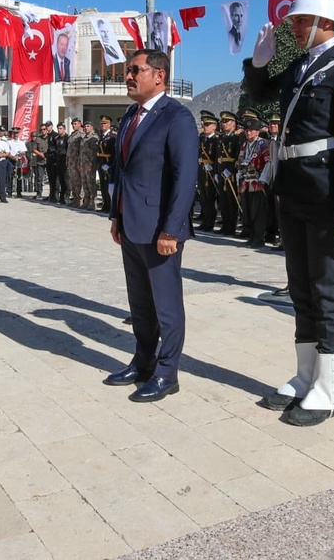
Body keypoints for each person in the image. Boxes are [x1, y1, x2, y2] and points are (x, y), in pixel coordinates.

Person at [244, 0, 334, 427]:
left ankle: (329, 388)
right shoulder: (302, 67)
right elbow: (260, 94)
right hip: (294, 189)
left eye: (301, 21)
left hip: (326, 195)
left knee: (326, 291)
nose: (295, 28)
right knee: (299, 287)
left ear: (326, 22)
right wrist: (259, 62)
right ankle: (305, 377)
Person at [105, 49, 199, 403]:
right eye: (127, 70)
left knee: (166, 305)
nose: (128, 76)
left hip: (161, 229)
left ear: (159, 75)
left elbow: (184, 178)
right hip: (131, 224)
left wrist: (171, 230)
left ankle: (167, 372)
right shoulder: (131, 114)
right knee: (139, 303)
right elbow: (120, 171)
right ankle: (142, 361)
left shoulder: (176, 117)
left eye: (135, 70)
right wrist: (116, 215)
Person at [236, 108, 272, 247]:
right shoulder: (245, 144)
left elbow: (268, 162)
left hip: (258, 181)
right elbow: (240, 160)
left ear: (257, 131)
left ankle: (259, 237)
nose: (248, 132)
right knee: (248, 210)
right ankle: (251, 235)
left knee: (258, 211)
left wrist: (264, 179)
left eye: (251, 130)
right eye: (246, 130)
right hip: (246, 181)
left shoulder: (263, 143)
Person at [215, 112, 243, 235]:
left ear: (234, 123)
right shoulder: (221, 138)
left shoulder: (237, 138)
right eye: (223, 122)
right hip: (221, 172)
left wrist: (231, 169)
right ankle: (225, 225)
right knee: (223, 201)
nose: (224, 124)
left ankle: (231, 227)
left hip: (231, 173)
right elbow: (218, 156)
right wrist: (217, 171)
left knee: (231, 201)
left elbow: (238, 157)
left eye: (227, 122)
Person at [195, 111, 221, 232]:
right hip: (201, 170)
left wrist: (215, 171)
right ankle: (205, 221)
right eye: (204, 124)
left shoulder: (217, 139)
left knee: (210, 198)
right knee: (203, 198)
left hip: (210, 171)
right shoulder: (201, 138)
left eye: (208, 124)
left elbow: (218, 157)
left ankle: (210, 222)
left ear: (214, 126)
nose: (205, 126)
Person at [95, 116, 117, 211]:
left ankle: (111, 205)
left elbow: (113, 152)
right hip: (101, 164)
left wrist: (109, 165)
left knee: (108, 185)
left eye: (105, 123)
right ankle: (105, 204)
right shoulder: (102, 136)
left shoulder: (112, 137)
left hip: (108, 164)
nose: (103, 125)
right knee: (103, 185)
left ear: (109, 124)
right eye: (102, 123)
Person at [78, 121, 100, 209]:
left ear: (91, 127)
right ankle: (86, 201)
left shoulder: (94, 138)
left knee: (91, 183)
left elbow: (94, 153)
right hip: (83, 164)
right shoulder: (84, 138)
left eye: (88, 126)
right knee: (85, 183)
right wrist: (79, 162)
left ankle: (93, 202)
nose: (86, 128)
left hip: (89, 164)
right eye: (85, 126)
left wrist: (91, 164)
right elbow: (81, 152)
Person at [27, 123, 50, 200]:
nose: (43, 131)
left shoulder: (50, 138)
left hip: (49, 160)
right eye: (41, 130)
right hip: (40, 160)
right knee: (39, 178)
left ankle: (52, 194)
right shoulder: (38, 139)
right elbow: (34, 149)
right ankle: (39, 193)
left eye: (44, 129)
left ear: (47, 130)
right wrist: (41, 154)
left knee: (51, 178)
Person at [66, 118, 85, 206]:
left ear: (80, 124)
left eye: (75, 124)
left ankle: (80, 199)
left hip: (77, 161)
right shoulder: (72, 135)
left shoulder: (82, 134)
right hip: (71, 161)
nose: (73, 125)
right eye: (72, 124)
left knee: (79, 181)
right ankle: (75, 198)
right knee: (73, 180)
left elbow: (81, 150)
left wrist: (79, 161)